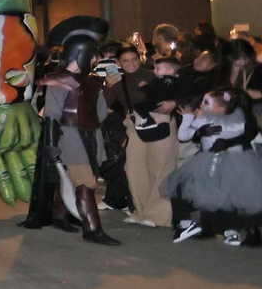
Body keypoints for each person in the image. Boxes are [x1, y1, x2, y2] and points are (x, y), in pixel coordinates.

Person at [25, 17, 118, 245]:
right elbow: (52, 116)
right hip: (70, 137)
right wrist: (51, 145)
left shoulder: (92, 80)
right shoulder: (59, 81)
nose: (96, 58)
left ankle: (59, 214)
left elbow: (102, 112)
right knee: (85, 182)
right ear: (83, 53)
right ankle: (93, 229)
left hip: (88, 136)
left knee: (70, 179)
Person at [165, 89, 262, 246]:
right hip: (209, 159)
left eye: (207, 102)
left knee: (230, 195)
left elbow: (250, 133)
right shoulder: (204, 117)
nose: (202, 105)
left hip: (236, 160)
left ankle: (233, 230)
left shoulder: (240, 117)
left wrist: (228, 143)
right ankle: (195, 224)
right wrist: (198, 130)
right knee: (190, 187)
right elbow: (187, 135)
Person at [109, 48, 177, 228]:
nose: (131, 64)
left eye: (134, 59)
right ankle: (141, 211)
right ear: (118, 62)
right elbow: (106, 105)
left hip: (160, 120)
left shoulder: (151, 74)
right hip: (135, 122)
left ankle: (158, 215)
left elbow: (180, 87)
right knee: (134, 168)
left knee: (161, 168)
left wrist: (175, 102)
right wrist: (108, 85)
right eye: (125, 61)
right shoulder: (116, 79)